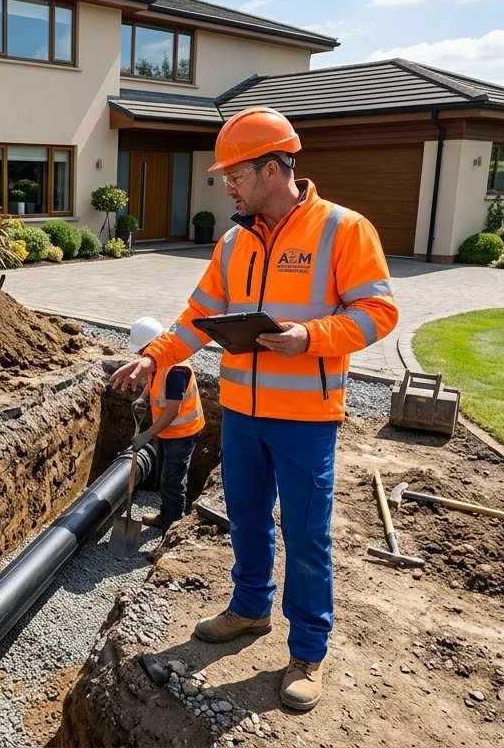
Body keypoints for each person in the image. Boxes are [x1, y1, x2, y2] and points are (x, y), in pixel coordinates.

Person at [108, 106, 398, 712]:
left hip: (307, 419)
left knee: (307, 537)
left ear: (272, 168)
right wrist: (153, 360)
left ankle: (308, 652)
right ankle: (248, 609)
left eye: (234, 175)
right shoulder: (235, 241)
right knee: (245, 516)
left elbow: (379, 313)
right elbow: (196, 318)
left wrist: (310, 337)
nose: (227, 186)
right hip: (240, 411)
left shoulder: (343, 229)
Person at [125, 316, 204, 530]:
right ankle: (165, 515)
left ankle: (171, 530)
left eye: (143, 350)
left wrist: (147, 435)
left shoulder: (176, 370)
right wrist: (143, 397)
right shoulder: (160, 359)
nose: (142, 356)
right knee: (163, 476)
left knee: (173, 482)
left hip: (183, 432)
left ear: (155, 343)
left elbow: (171, 411)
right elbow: (153, 381)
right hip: (167, 432)